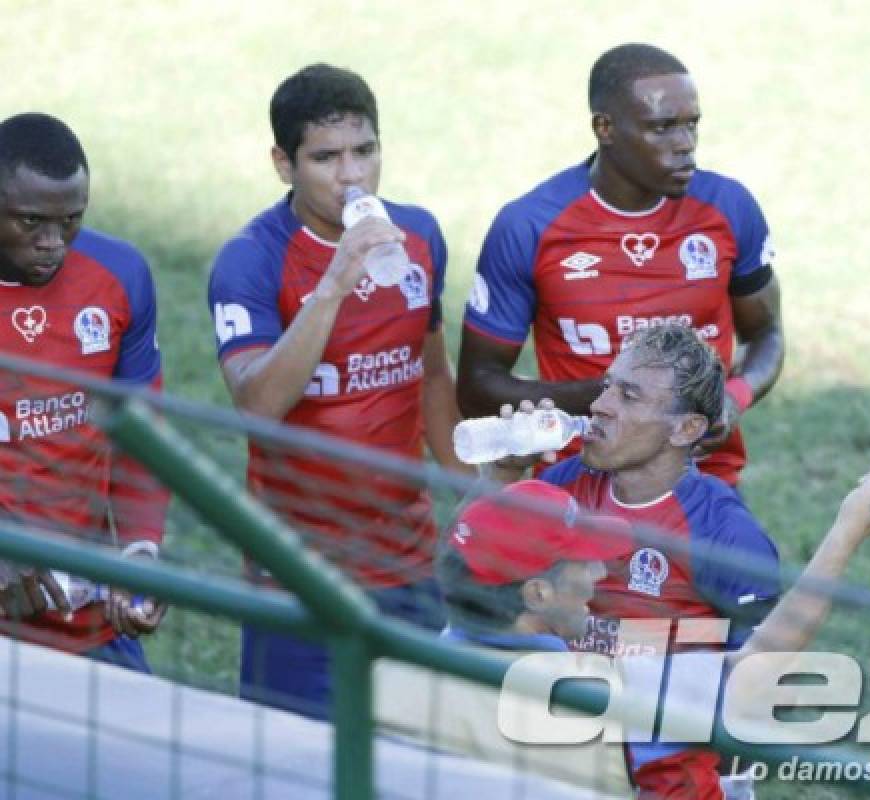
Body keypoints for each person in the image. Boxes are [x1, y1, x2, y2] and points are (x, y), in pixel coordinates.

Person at [377, 442, 870, 798]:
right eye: (582, 560)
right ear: (537, 592)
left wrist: (498, 480)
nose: (598, 571)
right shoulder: (608, 697)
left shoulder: (387, 675)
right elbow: (761, 664)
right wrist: (848, 532)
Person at [207, 64, 468, 717]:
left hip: (406, 560)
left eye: (365, 151)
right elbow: (258, 404)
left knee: (411, 759)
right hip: (297, 571)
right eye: (326, 157)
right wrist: (335, 281)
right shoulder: (250, 261)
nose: (351, 175)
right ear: (283, 164)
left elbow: (431, 375)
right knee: (295, 764)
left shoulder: (420, 236)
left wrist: (475, 491)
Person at [457, 42, 784, 488]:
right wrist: (614, 398)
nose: (685, 145)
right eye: (662, 127)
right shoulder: (530, 227)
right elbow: (477, 387)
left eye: (691, 125)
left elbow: (766, 333)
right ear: (605, 127)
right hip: (581, 488)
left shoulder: (729, 208)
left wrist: (732, 397)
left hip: (704, 485)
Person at [488, 324, 782, 656]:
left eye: (628, 396)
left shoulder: (726, 534)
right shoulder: (564, 485)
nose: (598, 405)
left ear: (686, 429)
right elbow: (469, 581)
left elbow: (760, 670)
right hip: (553, 694)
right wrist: (504, 470)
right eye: (607, 386)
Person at [0, 112, 168, 671]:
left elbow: (142, 434)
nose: (53, 244)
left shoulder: (118, 275)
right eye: (30, 223)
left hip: (85, 613)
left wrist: (141, 551)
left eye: (71, 220)